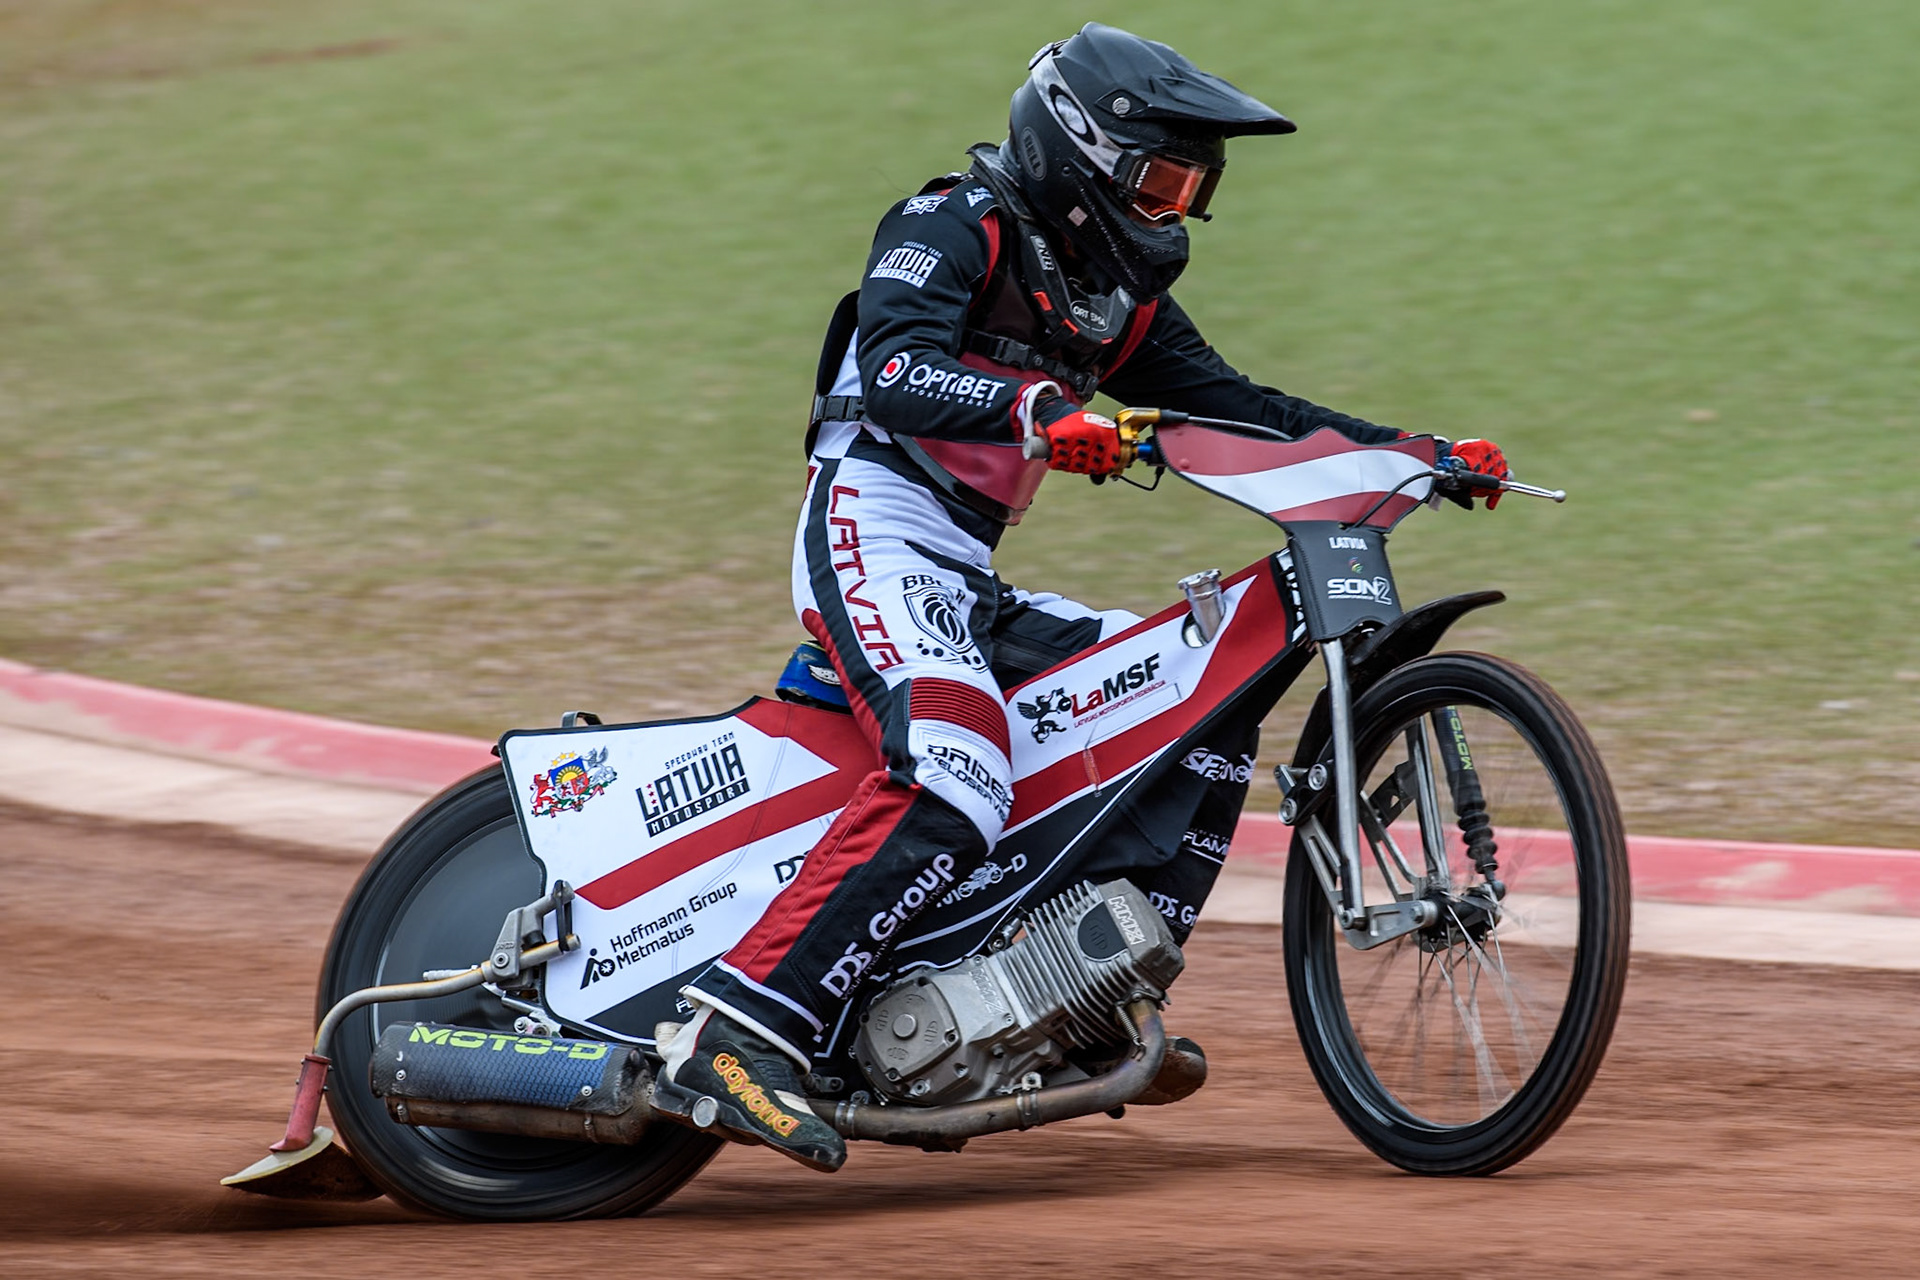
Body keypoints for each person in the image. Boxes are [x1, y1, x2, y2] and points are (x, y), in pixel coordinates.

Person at [654, 22, 1511, 1172]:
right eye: (1161, 180)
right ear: (1079, 151)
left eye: (1193, 191)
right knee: (957, 768)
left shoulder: (1115, 299)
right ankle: (739, 1025)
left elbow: (1241, 408)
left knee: (1198, 696)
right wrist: (1038, 412)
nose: (1180, 213)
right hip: (872, 521)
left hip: (965, 566)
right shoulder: (949, 223)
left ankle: (1090, 988)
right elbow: (900, 367)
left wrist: (1416, 453)